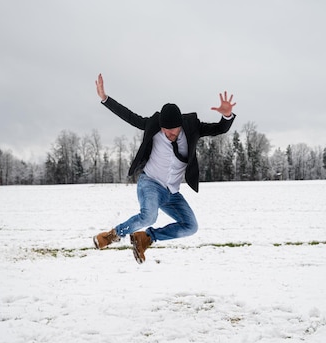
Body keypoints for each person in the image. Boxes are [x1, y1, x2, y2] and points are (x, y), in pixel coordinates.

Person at [93, 73, 236, 264]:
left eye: (174, 131)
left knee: (191, 226)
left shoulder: (192, 126)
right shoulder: (153, 125)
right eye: (166, 131)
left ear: (180, 125)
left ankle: (146, 238)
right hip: (150, 183)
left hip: (172, 192)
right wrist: (105, 98)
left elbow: (220, 129)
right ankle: (111, 236)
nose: (170, 134)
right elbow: (129, 116)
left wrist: (226, 115)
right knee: (149, 216)